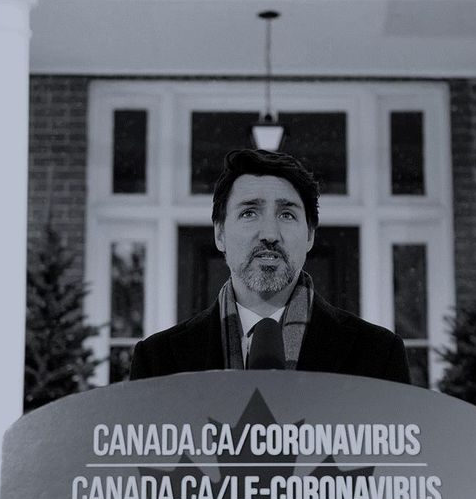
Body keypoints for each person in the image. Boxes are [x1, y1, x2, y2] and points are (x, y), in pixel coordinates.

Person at [129, 149, 410, 383]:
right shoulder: (158, 361)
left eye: (286, 214)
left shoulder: (378, 355)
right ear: (220, 233)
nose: (270, 234)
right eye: (249, 212)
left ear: (310, 235)